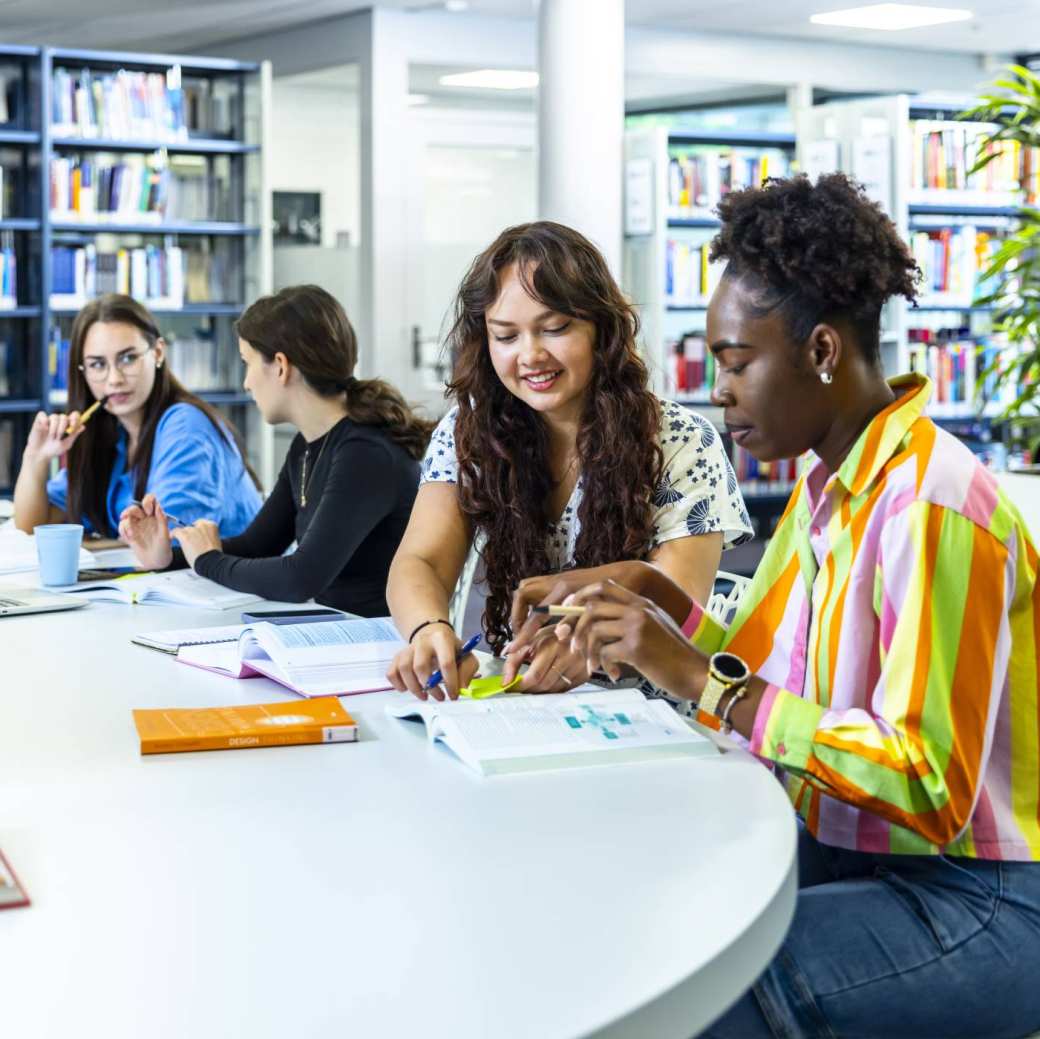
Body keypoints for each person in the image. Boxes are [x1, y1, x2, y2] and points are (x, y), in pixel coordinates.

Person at [514, 174, 1040, 1038]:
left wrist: (699, 678)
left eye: (735, 360)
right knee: (617, 899)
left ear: (823, 352)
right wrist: (658, 604)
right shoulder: (829, 484)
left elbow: (927, 781)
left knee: (700, 983)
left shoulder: (932, 505)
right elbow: (762, 668)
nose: (718, 389)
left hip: (981, 892)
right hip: (864, 854)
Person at [386, 220, 752, 700]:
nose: (531, 355)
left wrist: (587, 642)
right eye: (506, 336)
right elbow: (422, 561)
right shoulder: (468, 429)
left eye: (555, 329)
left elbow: (677, 603)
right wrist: (428, 629)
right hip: (519, 706)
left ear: (602, 330)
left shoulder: (681, 440)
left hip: (649, 714)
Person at [120, 284, 431, 617]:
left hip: (377, 644)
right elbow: (258, 546)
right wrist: (171, 557)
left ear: (281, 366)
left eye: (247, 363)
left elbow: (300, 578)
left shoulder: (365, 453)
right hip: (331, 628)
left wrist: (208, 561)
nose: (246, 383)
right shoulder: (308, 444)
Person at [14, 294, 260, 538]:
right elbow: (33, 527)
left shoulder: (186, 427)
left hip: (225, 577)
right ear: (83, 371)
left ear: (158, 353)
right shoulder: (112, 436)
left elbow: (161, 542)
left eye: (128, 358)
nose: (114, 379)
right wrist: (36, 457)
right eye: (98, 364)